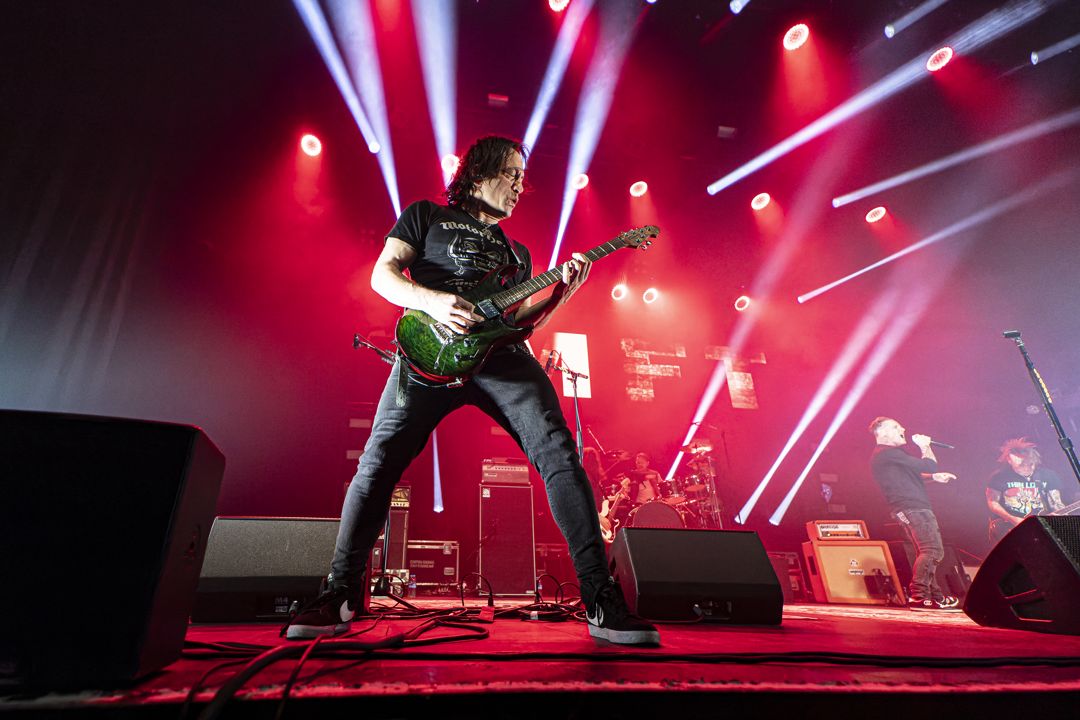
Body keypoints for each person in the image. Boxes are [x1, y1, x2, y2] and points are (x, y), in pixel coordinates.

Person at [286, 136, 658, 645]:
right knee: (377, 464)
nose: (519, 187)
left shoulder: (517, 254)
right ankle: (341, 592)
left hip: (499, 358)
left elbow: (516, 323)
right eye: (511, 174)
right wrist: (435, 301)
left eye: (524, 179)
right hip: (425, 353)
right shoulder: (425, 216)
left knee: (560, 456)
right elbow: (384, 277)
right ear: (478, 172)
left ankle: (599, 597)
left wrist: (559, 294)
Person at [868, 417, 960, 611]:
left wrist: (934, 477)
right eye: (895, 426)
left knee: (925, 551)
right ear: (882, 433)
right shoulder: (887, 454)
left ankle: (935, 597)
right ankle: (918, 595)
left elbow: (914, 476)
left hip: (909, 508)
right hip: (913, 508)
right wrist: (925, 446)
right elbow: (928, 465)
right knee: (932, 550)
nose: (903, 428)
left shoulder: (889, 456)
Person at [986, 437, 1072, 544]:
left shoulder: (1048, 476)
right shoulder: (999, 478)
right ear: (1009, 460)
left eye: (1030, 464)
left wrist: (1058, 517)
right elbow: (992, 502)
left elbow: (1056, 503)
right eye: (1021, 465)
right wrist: (1015, 520)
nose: (1026, 468)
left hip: (1040, 527)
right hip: (1008, 527)